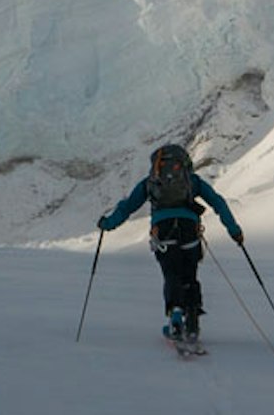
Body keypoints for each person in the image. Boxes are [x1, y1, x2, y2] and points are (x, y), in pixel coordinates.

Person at [97, 143, 243, 345]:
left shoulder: (150, 182)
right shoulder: (192, 181)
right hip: (189, 230)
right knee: (189, 274)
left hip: (163, 231)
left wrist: (107, 224)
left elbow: (127, 207)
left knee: (171, 273)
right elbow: (218, 202)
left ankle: (175, 317)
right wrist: (234, 231)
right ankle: (192, 320)